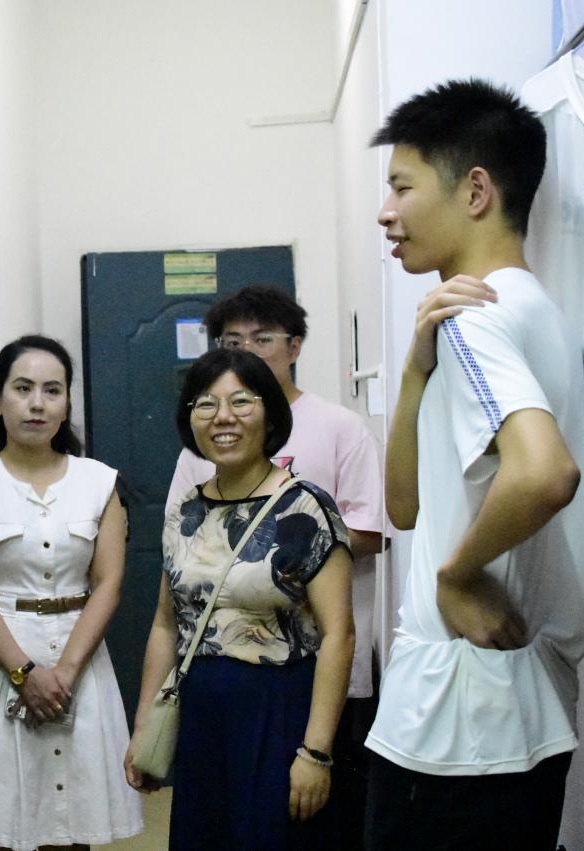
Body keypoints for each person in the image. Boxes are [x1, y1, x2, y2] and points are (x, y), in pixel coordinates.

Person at [364, 79, 584, 850]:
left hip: (458, 718)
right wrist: (412, 372)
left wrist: (456, 576)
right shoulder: (528, 310)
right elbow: (405, 508)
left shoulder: (478, 321)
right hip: (502, 707)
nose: (384, 212)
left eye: (401, 186)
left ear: (474, 191)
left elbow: (545, 473)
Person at [164, 285, 384, 846]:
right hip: (207, 690)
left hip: (297, 675)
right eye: (232, 341)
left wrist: (288, 552)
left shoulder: (336, 434)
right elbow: (171, 596)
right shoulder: (193, 480)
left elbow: (372, 531)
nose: (247, 350)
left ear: (294, 346)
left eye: (261, 338)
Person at [126, 348, 355, 850]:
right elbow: (166, 624)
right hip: (202, 713)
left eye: (241, 401)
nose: (223, 417)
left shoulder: (306, 507)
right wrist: (144, 725)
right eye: (206, 403)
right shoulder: (185, 510)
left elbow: (339, 634)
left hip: (279, 712)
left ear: (270, 415)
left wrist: (316, 752)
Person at [0, 335, 144, 850]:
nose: (37, 403)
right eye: (23, 388)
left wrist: (64, 673)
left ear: (66, 404)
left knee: (71, 825)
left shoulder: (100, 482)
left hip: (80, 666)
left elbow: (108, 584)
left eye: (52, 390)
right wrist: (25, 673)